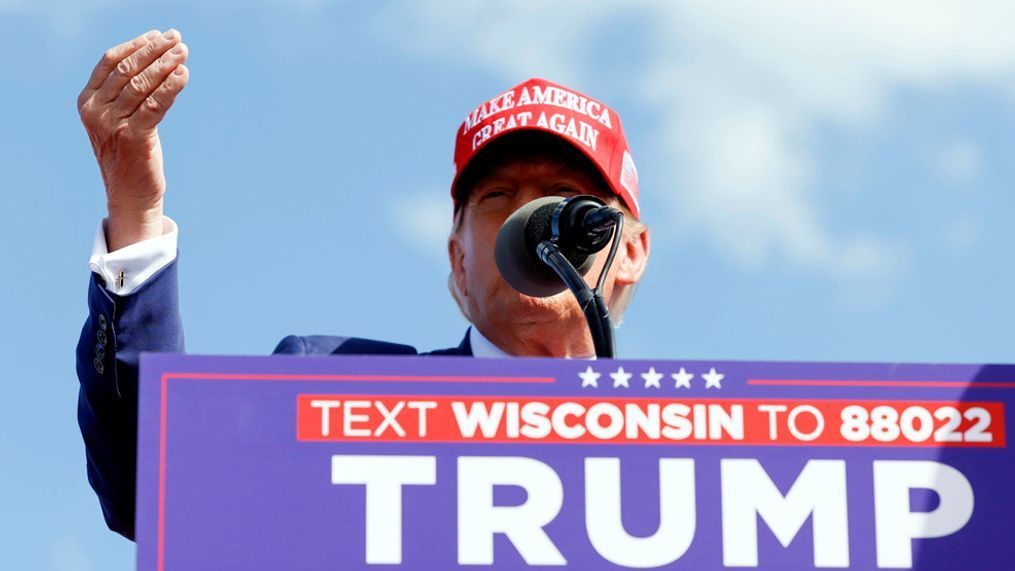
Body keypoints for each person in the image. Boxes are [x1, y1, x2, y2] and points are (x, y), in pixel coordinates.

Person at [75, 29, 651, 539]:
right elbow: (161, 490)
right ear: (458, 259)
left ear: (628, 249)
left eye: (564, 198)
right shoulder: (333, 386)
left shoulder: (707, 440)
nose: (530, 217)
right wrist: (135, 214)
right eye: (497, 197)